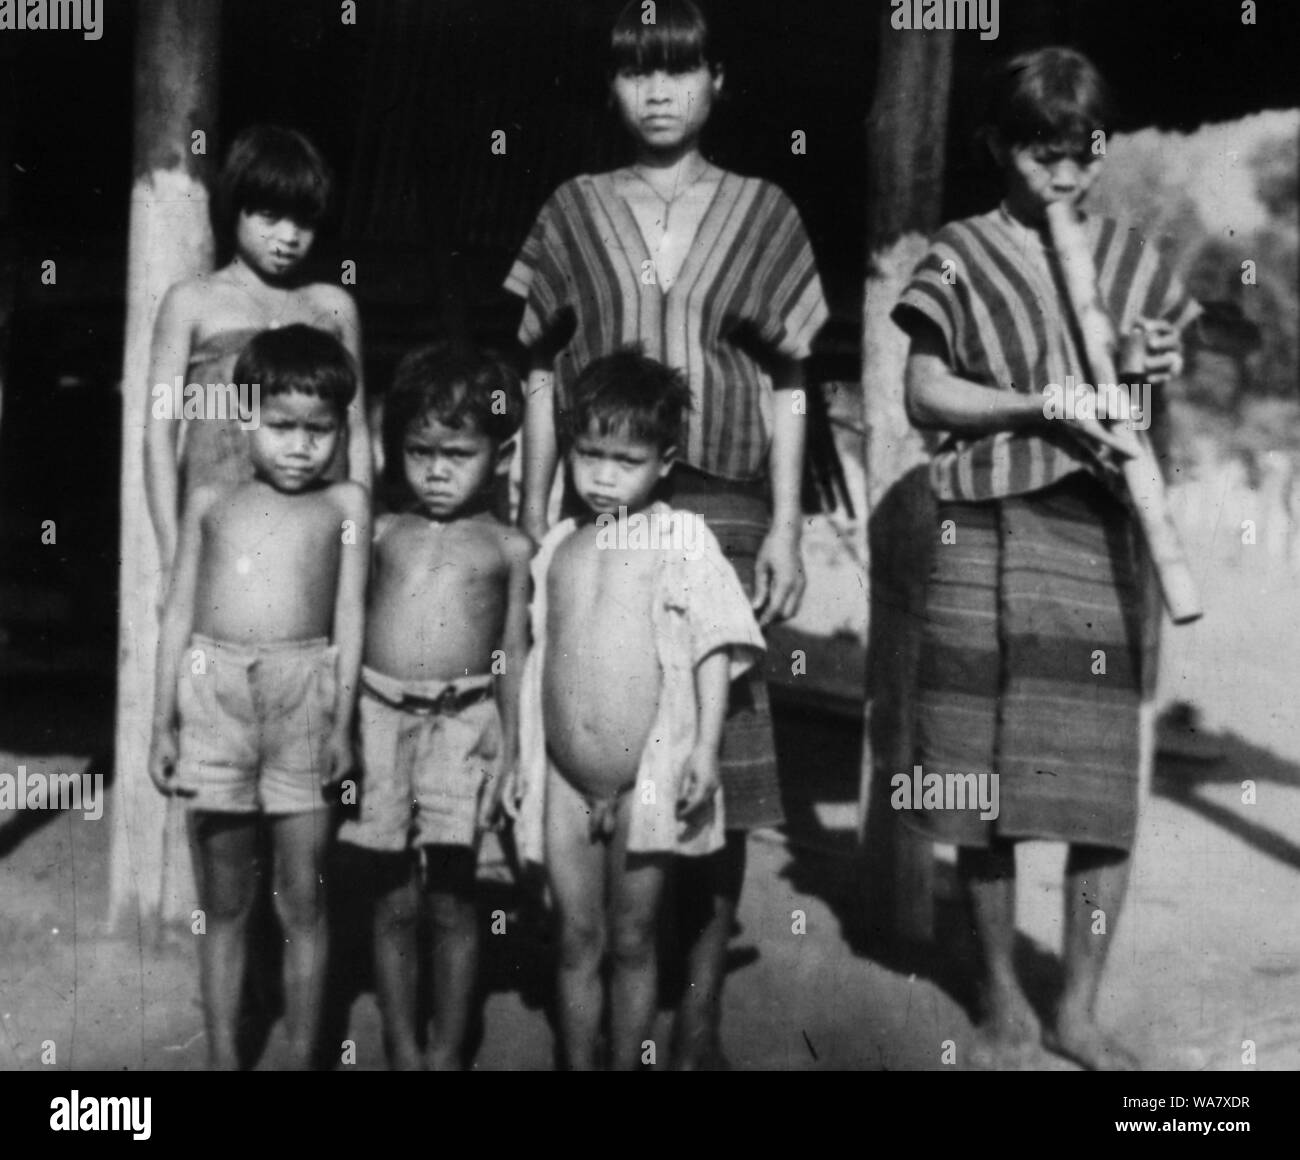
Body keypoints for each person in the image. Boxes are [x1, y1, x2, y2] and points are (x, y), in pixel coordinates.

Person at [504, 0, 827, 1068]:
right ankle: (600, 971)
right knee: (603, 728)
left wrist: (784, 519)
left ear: (714, 82)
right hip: (599, 498)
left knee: (717, 752)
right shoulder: (571, 208)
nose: (656, 90)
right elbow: (541, 365)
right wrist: (537, 503)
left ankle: (697, 1007)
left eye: (678, 69)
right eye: (637, 70)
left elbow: (791, 373)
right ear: (612, 85)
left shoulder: (763, 209)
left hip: (724, 494)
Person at [893, 47, 1200, 1070]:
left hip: (1097, 532)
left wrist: (1147, 368)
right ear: (996, 147)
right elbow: (924, 394)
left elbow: (1147, 397)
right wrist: (1039, 402)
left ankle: (1078, 1006)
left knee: (1096, 785)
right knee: (976, 780)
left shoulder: (1130, 256)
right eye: (1039, 155)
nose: (1061, 178)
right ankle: (995, 999)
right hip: (981, 524)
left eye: (1078, 157)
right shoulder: (955, 251)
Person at [511, 347, 765, 1071]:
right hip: (564, 779)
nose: (602, 475)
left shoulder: (680, 536)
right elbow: (535, 653)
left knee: (632, 939)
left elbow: (715, 640)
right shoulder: (559, 545)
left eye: (625, 460)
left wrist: (706, 750)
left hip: (644, 778)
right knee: (574, 939)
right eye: (589, 454)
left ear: (665, 462)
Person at [148, 326, 370, 1069]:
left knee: (303, 900)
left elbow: (349, 618)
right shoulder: (210, 498)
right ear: (246, 417)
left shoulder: (347, 504)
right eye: (281, 426)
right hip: (214, 698)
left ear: (342, 428)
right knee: (225, 905)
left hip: (305, 698)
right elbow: (177, 611)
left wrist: (343, 724)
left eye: (319, 430)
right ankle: (221, 1060)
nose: (300, 446)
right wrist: (161, 724)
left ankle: (303, 1058)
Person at [336, 343, 530, 1070]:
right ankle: (402, 1048)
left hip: (463, 724)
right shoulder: (383, 531)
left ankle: (448, 1051)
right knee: (391, 899)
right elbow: (348, 627)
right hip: (381, 718)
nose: (437, 470)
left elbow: (512, 652)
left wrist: (512, 742)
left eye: (458, 452)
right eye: (420, 451)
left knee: (452, 899)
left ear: (500, 457)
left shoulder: (508, 546)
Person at [145, 123, 370, 578]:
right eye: (270, 216)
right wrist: (173, 554)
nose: (288, 237)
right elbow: (159, 433)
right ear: (235, 211)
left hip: (314, 532)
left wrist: (355, 545)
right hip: (219, 533)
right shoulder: (191, 301)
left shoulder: (333, 307)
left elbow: (358, 431)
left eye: (303, 221)